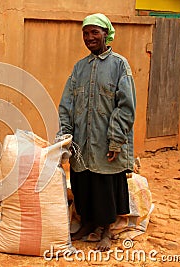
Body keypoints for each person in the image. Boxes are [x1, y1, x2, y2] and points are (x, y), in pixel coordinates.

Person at [57, 13, 136, 252]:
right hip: (82, 140)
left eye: (94, 32)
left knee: (106, 185)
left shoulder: (119, 65)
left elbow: (126, 106)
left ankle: (106, 230)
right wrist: (67, 135)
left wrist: (115, 140)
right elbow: (66, 104)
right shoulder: (79, 68)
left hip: (107, 140)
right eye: (85, 33)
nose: (89, 37)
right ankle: (88, 223)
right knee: (83, 183)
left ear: (106, 34)